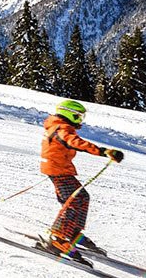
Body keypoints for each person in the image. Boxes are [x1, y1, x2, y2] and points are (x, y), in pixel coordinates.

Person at [38, 99, 124, 261]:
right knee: (74, 201)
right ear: (68, 114)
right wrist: (103, 151)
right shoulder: (62, 128)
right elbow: (75, 142)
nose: (80, 121)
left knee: (82, 198)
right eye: (78, 117)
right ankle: (58, 238)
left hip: (59, 169)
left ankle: (72, 231)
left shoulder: (56, 126)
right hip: (58, 171)